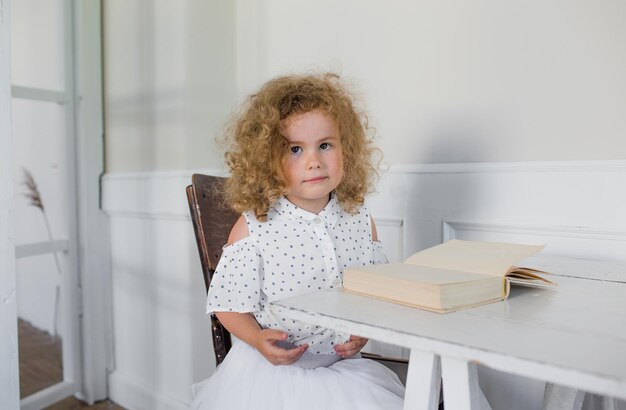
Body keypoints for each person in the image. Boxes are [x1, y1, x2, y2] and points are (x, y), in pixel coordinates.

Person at [191, 73, 405, 409]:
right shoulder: (254, 227)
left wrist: (364, 331)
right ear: (266, 161)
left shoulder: (360, 222)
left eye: (325, 145)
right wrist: (256, 339)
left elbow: (373, 294)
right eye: (294, 149)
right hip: (270, 376)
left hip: (342, 370)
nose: (313, 160)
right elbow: (228, 305)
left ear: (345, 148)